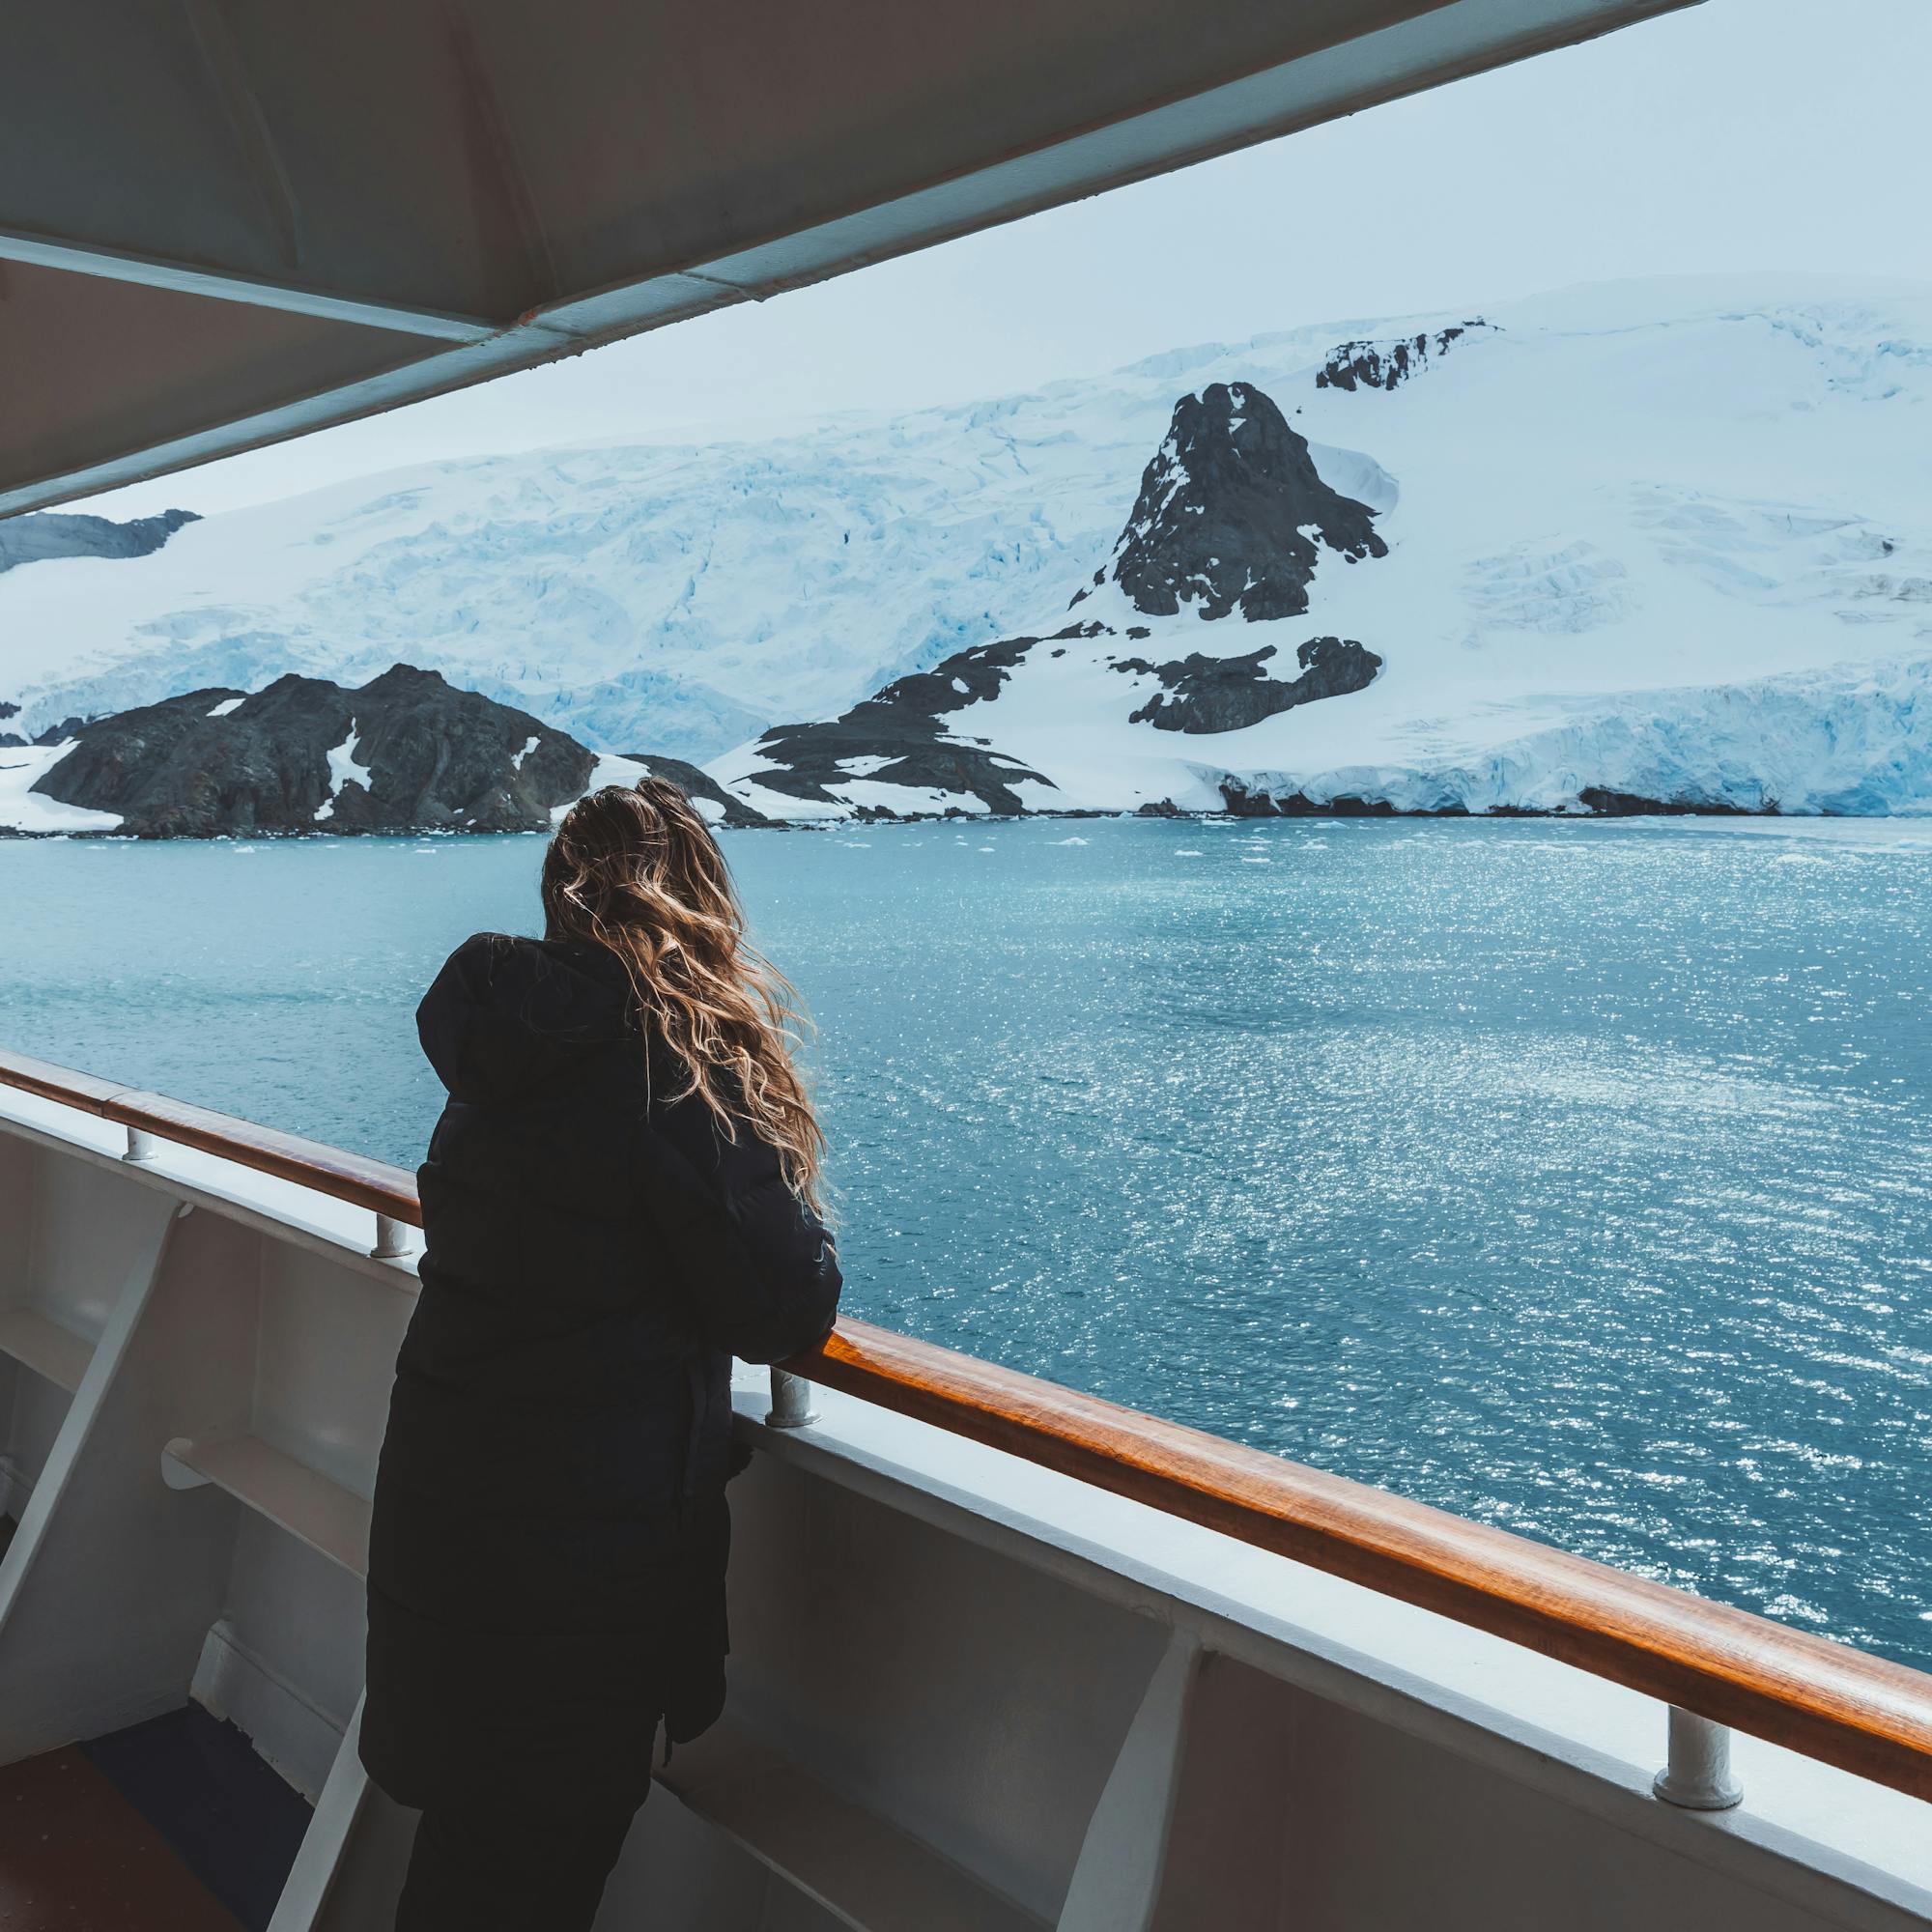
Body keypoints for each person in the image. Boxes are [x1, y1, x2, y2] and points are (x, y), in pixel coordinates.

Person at [360, 778, 842, 1931]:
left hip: (452, 1512)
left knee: (477, 1844)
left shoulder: (508, 1055)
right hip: (575, 1567)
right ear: (696, 899)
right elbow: (783, 1307)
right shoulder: (672, 1064)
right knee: (537, 1858)